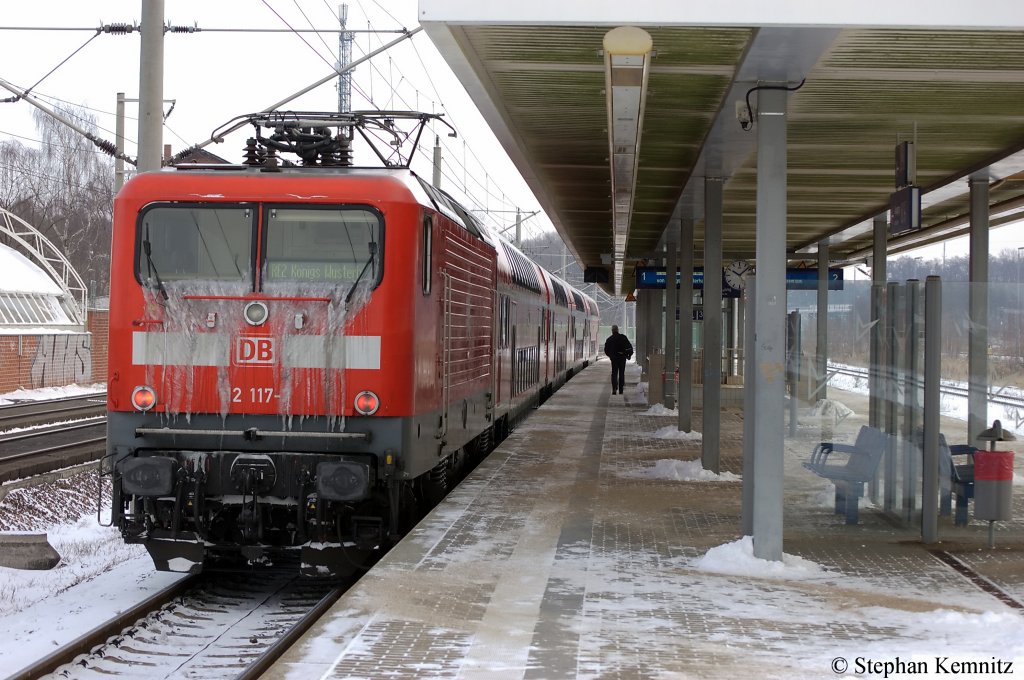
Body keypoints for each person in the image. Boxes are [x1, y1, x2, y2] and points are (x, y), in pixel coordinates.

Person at [604, 325, 633, 395]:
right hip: (622, 358)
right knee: (621, 373)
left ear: (612, 331)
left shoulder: (609, 339)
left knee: (614, 373)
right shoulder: (623, 337)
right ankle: (621, 389)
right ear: (618, 330)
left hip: (614, 359)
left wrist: (610, 356)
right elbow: (629, 347)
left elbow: (606, 350)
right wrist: (629, 355)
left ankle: (614, 388)